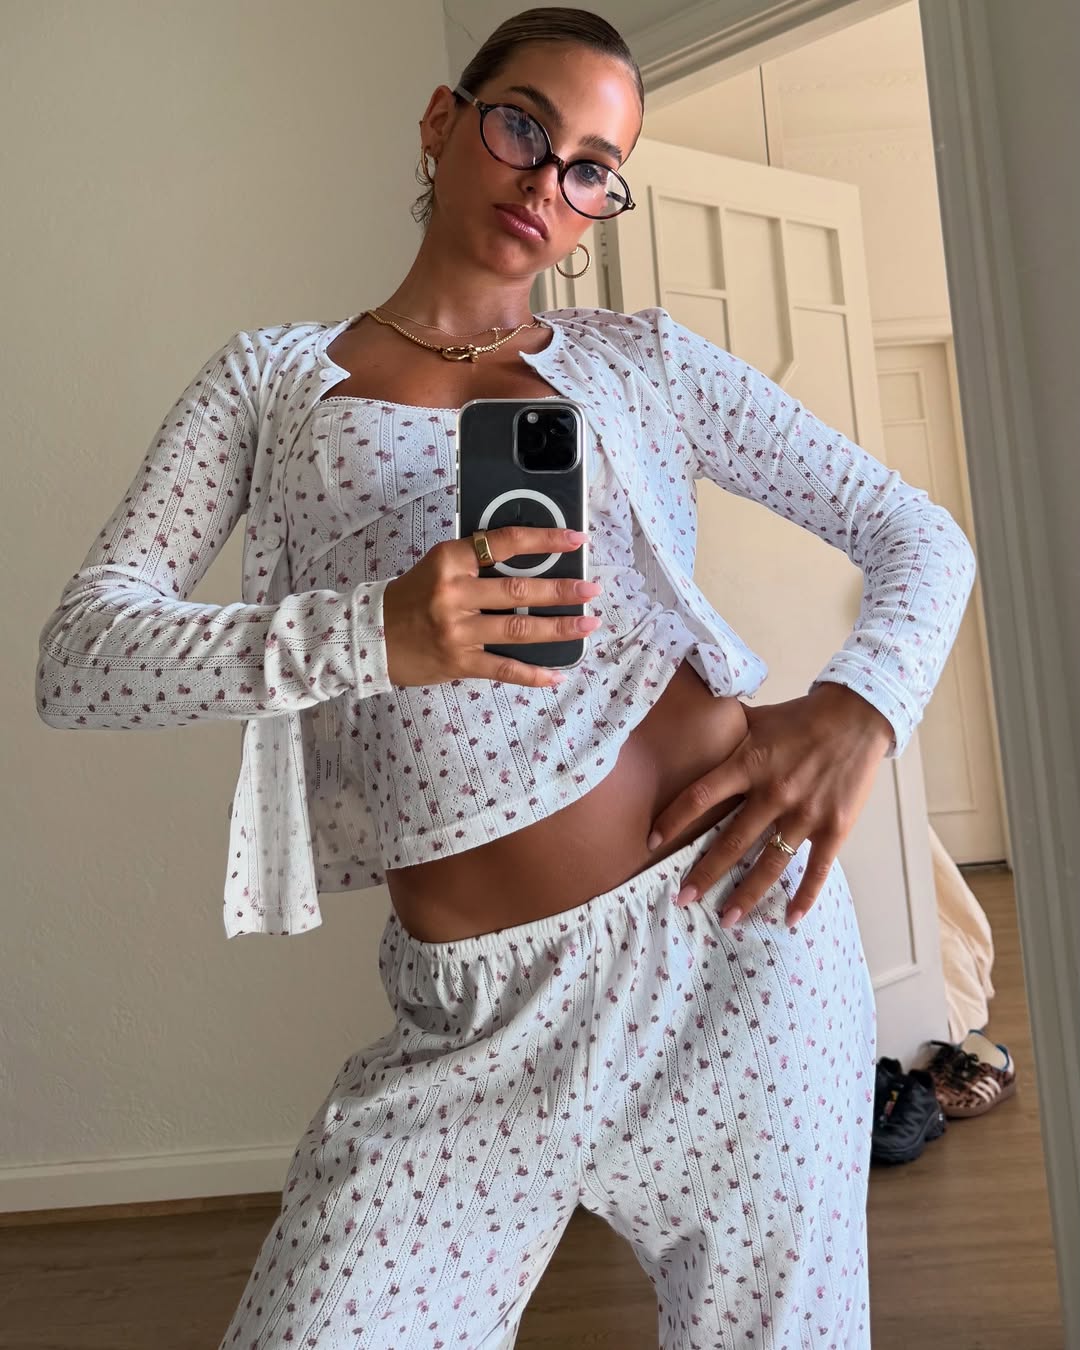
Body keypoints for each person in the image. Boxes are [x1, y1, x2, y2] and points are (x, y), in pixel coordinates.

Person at [35, 8, 976, 1348]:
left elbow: (921, 537)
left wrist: (859, 708)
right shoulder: (271, 382)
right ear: (444, 121)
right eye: (525, 126)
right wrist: (375, 633)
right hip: (474, 1013)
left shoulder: (641, 361)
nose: (549, 181)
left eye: (594, 167)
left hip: (733, 947)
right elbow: (83, 657)